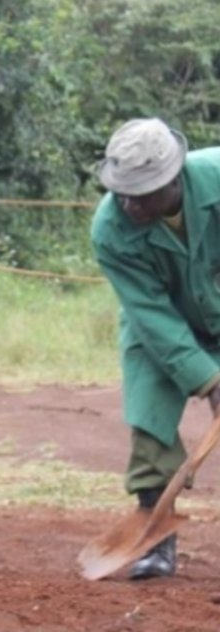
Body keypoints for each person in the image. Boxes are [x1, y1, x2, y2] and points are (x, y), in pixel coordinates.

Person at [92, 117, 220, 579]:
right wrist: (209, 380)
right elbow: (150, 313)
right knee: (150, 427)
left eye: (143, 191)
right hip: (158, 328)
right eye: (122, 190)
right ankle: (157, 540)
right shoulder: (109, 229)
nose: (129, 201)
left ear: (174, 178)